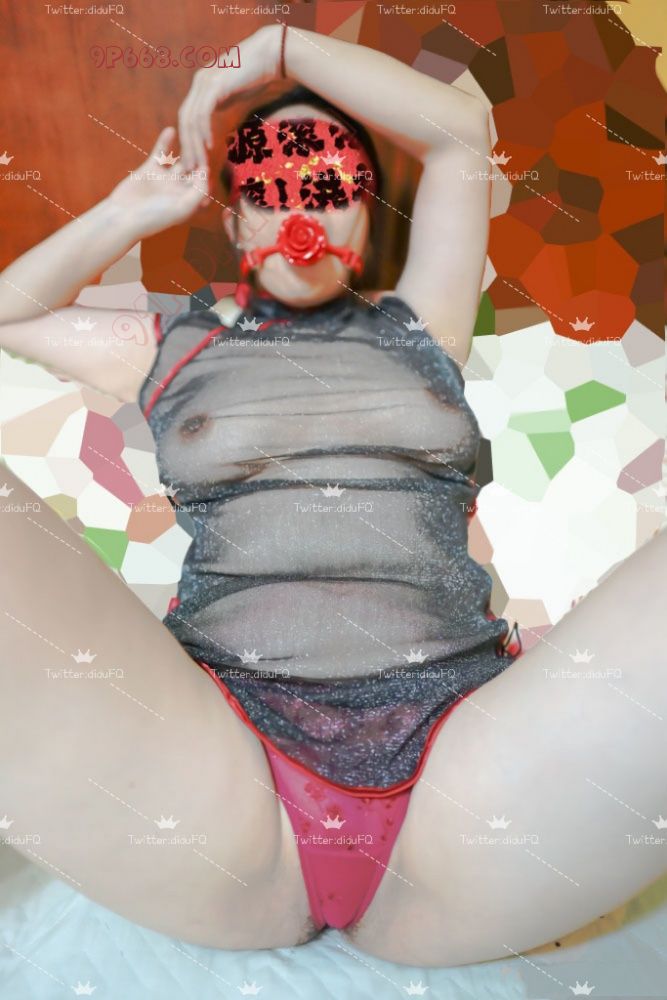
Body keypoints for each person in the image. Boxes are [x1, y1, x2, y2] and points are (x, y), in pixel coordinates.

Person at [0, 24, 664, 969]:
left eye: (330, 186)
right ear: (236, 220)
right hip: (214, 773)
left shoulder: (424, 326)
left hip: (468, 777)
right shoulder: (167, 345)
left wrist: (272, 49)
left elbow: (458, 133)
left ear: (363, 217)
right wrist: (132, 207)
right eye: (269, 188)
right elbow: (8, 313)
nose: (299, 208)